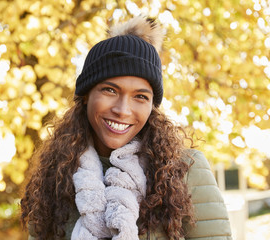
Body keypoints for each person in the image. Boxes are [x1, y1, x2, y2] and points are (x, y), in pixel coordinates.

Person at [20, 16, 232, 240]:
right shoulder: (55, 176)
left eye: (140, 96)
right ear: (85, 96)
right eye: (110, 90)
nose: (123, 110)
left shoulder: (186, 170)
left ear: (152, 106)